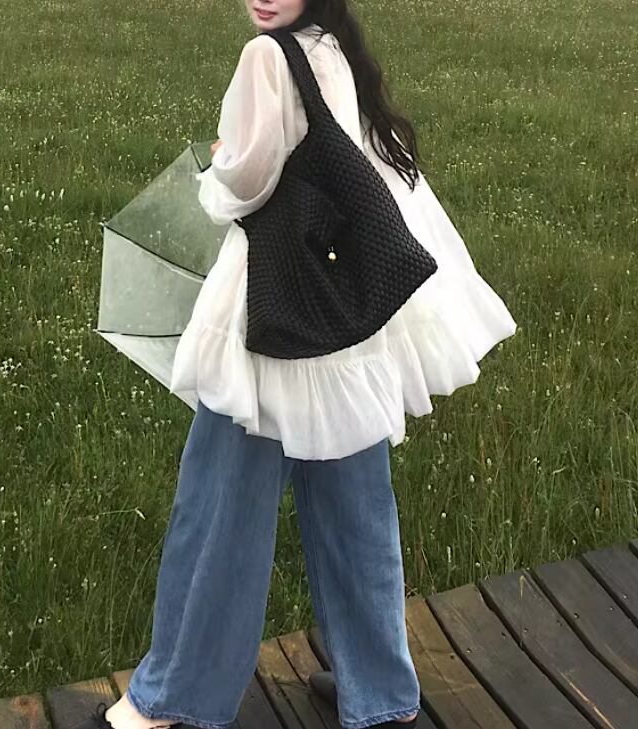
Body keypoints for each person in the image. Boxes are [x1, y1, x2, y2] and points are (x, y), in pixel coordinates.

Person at [93, 1, 518, 728]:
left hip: (268, 317)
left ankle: (174, 695)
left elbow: (247, 184)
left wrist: (219, 167)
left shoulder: (266, 56)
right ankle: (379, 691)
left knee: (220, 506)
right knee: (354, 510)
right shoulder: (331, 46)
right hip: (337, 322)